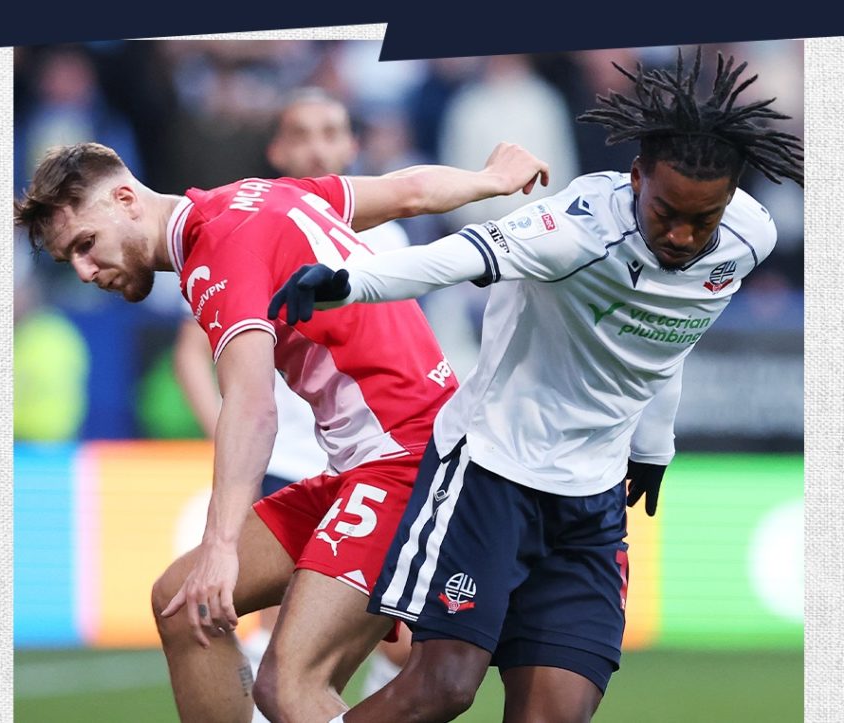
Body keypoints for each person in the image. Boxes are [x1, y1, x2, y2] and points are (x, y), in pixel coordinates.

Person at [269, 49, 803, 722]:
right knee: (442, 688)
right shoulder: (576, 227)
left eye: (705, 217)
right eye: (667, 210)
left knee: (554, 713)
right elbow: (458, 257)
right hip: (491, 474)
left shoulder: (747, 237)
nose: (683, 234)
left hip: (590, 503)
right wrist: (349, 280)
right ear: (637, 176)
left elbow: (669, 339)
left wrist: (654, 446)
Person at [14, 140, 548, 722]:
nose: (87, 271)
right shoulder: (257, 197)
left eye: (87, 245)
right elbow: (407, 192)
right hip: (368, 466)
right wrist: (489, 177)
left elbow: (252, 404)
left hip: (409, 461)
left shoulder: (216, 249)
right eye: (72, 261)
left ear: (125, 199)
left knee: (290, 690)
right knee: (180, 604)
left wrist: (220, 548)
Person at [171, 88, 414, 709]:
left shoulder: (394, 245)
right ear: (278, 149)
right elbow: (191, 352)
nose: (318, 147)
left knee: (394, 648)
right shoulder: (253, 231)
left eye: (332, 132)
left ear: (352, 145)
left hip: (372, 461)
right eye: (302, 134)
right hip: (285, 462)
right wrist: (228, 442)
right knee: (287, 653)